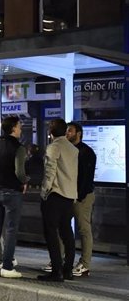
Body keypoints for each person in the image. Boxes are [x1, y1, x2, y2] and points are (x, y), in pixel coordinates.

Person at [0, 116, 28, 278]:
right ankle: (7, 266)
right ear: (14, 128)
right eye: (19, 126)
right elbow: (19, 172)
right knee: (10, 230)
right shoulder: (19, 148)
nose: (21, 129)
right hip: (12, 192)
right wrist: (25, 182)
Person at [38, 119, 78, 282]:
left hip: (55, 195)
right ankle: (68, 269)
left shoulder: (54, 147)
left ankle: (56, 271)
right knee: (67, 232)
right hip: (69, 196)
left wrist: (44, 191)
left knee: (51, 233)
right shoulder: (72, 149)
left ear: (51, 131)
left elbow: (50, 171)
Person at [66, 122, 97, 277]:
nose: (67, 133)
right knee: (62, 226)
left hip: (81, 197)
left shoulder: (86, 152)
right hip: (69, 195)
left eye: (70, 131)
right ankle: (62, 259)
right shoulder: (69, 150)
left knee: (84, 229)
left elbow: (86, 178)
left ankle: (85, 264)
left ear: (78, 133)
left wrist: (79, 196)